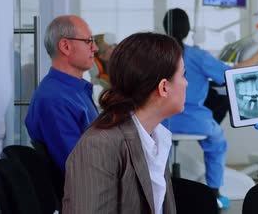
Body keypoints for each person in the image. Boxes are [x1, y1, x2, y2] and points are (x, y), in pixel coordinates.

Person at [162, 8, 258, 209]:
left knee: (160, 149)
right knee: (217, 142)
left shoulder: (157, 54)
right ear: (187, 30)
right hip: (193, 120)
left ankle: (162, 188)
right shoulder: (197, 55)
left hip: (161, 120)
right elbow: (230, 76)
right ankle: (214, 191)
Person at [63, 32, 185, 214]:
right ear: (164, 87)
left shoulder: (157, 138)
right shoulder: (99, 146)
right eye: (183, 75)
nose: (186, 83)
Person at [25, 15, 99, 174]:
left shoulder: (75, 91)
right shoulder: (54, 100)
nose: (95, 48)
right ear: (65, 46)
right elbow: (79, 169)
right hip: (85, 193)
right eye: (88, 41)